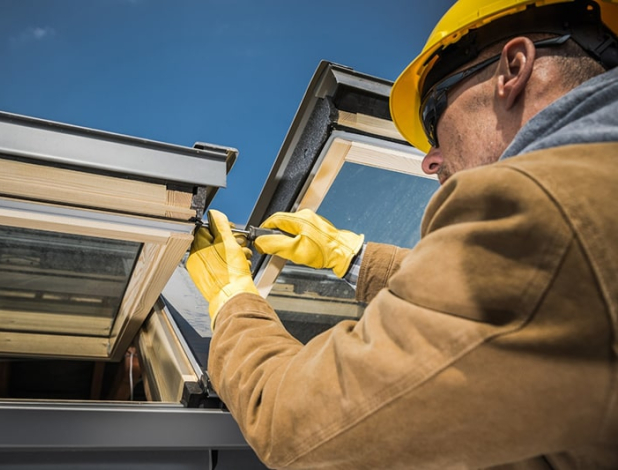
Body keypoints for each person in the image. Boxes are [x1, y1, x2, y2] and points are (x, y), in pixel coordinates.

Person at [186, 0, 618, 468]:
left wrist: (234, 303)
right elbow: (504, 308)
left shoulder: (543, 207)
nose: (429, 160)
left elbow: (302, 425)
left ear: (512, 69)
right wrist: (352, 258)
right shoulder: (591, 190)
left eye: (434, 115)